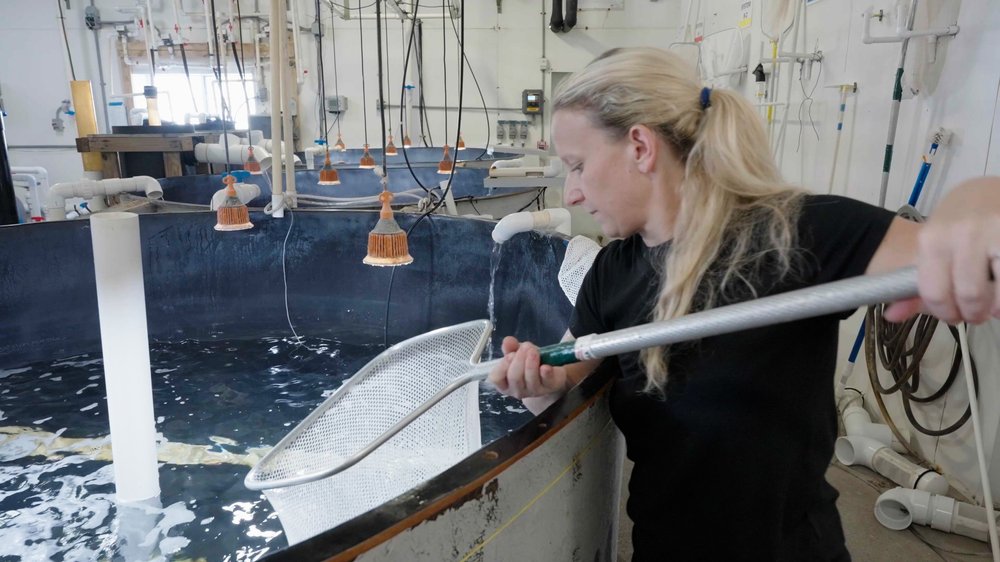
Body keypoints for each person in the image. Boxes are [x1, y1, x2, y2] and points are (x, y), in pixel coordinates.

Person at [487, 46, 1000, 561]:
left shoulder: (790, 234)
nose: (571, 194)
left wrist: (973, 207)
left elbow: (961, 229)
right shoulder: (611, 272)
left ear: (640, 146)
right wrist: (541, 385)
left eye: (577, 166)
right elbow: (570, 380)